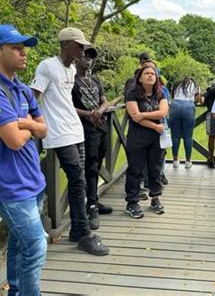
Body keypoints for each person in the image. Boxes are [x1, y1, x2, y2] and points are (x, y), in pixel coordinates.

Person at [0, 24, 47, 294]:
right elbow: (14, 141)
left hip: (34, 181)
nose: (23, 53)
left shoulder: (23, 89)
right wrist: (28, 126)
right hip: (11, 187)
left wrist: (22, 123)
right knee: (37, 246)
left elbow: (44, 128)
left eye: (23, 47)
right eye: (16, 47)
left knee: (20, 242)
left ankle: (16, 290)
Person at [31, 27, 109, 256]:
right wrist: (35, 125)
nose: (83, 49)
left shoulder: (72, 69)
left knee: (81, 181)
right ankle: (83, 233)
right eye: (79, 45)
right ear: (65, 44)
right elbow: (32, 97)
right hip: (58, 134)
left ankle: (77, 229)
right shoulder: (47, 66)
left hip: (76, 131)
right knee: (77, 180)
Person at [72, 46, 113, 231]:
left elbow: (105, 100)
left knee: (98, 165)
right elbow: (67, 106)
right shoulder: (71, 81)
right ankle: (91, 207)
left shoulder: (95, 80)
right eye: (85, 56)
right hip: (85, 130)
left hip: (101, 126)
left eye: (91, 57)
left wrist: (100, 110)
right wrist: (88, 113)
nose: (88, 60)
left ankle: (94, 198)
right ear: (76, 58)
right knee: (89, 166)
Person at [124, 65, 169, 218]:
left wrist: (142, 115)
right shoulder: (132, 93)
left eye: (153, 74)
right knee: (135, 170)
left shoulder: (160, 93)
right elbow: (133, 116)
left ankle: (155, 198)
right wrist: (155, 125)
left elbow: (163, 112)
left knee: (155, 168)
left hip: (156, 139)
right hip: (137, 136)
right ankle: (132, 202)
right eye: (147, 73)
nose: (150, 76)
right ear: (140, 77)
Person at [169, 77, 200, 168]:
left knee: (175, 136)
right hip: (188, 106)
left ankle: (175, 160)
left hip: (175, 105)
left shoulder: (177, 84)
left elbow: (172, 95)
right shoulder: (193, 84)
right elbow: (197, 98)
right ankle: (188, 161)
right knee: (188, 136)